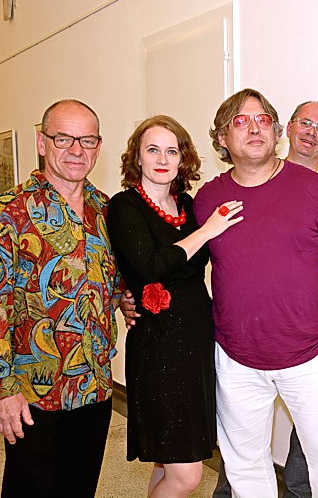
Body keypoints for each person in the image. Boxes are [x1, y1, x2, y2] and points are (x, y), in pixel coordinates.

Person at [195, 89, 318, 498]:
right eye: (240, 121)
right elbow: (180, 265)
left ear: (276, 132)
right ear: (222, 138)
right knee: (245, 472)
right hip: (236, 359)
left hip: (311, 355)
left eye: (263, 119)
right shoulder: (207, 199)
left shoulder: (315, 188)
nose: (254, 128)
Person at [0, 99, 120, 497]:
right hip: (32, 389)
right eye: (63, 138)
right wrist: (2, 390)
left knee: (79, 488)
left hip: (93, 384)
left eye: (87, 140)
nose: (76, 150)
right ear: (42, 142)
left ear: (98, 146)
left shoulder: (106, 211)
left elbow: (114, 282)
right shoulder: (7, 212)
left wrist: (133, 300)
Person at [106, 115, 242, 497]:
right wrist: (207, 231)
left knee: (167, 462)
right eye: (153, 150)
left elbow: (188, 265)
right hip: (159, 347)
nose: (162, 159)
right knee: (187, 475)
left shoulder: (187, 204)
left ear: (183, 159)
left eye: (172, 151)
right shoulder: (125, 206)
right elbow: (151, 265)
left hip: (195, 341)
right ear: (137, 157)